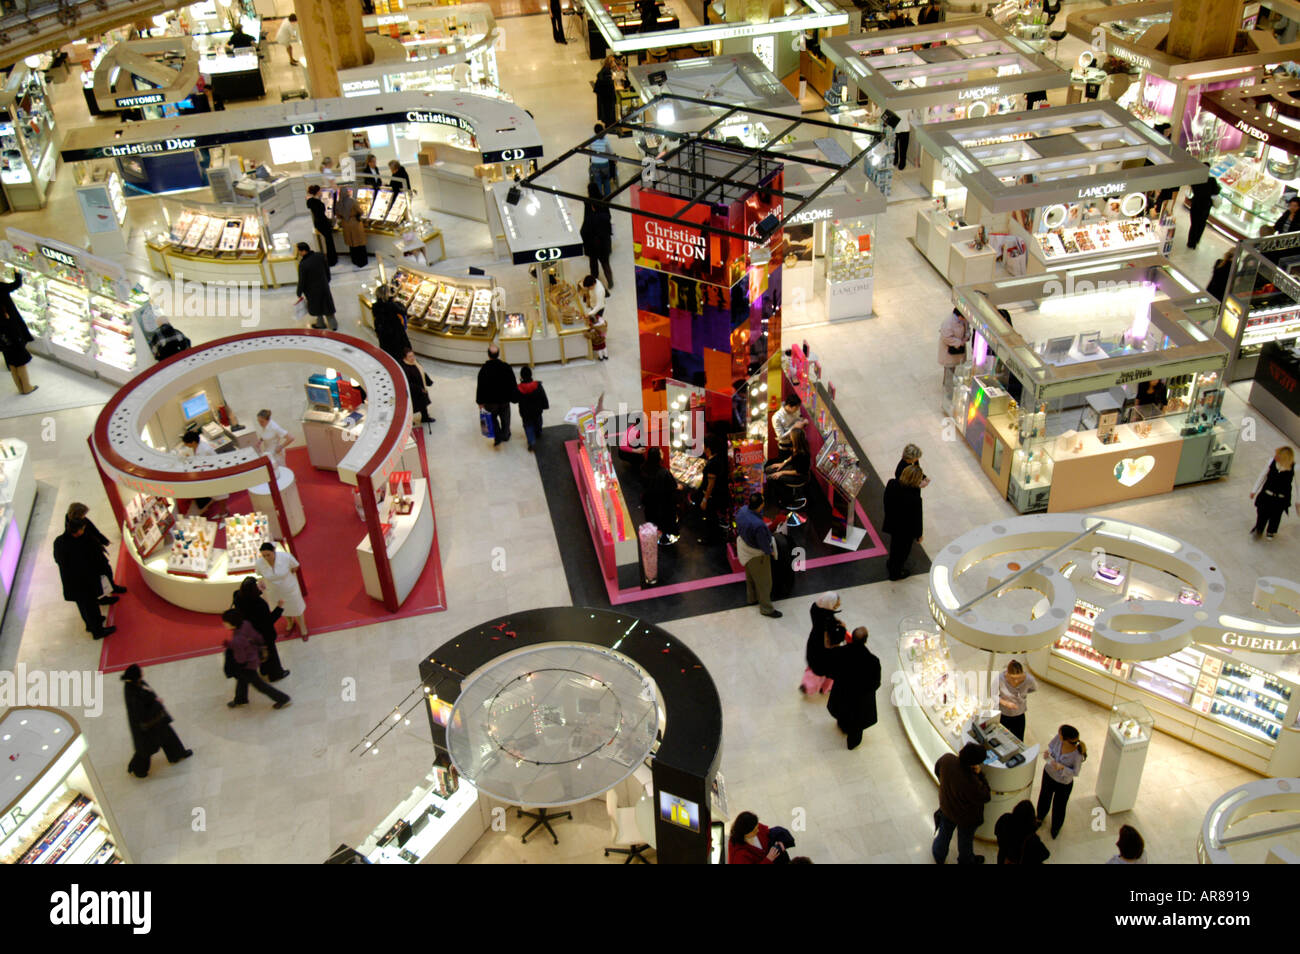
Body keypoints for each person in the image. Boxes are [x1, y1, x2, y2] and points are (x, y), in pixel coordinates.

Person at [123, 664, 191, 778]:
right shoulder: (133, 694)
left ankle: (177, 754)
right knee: (146, 750)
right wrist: (157, 703)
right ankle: (138, 769)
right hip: (148, 726)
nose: (142, 671)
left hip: (156, 720)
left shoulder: (134, 685)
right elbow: (142, 714)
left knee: (169, 737)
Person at [53, 518, 116, 639]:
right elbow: (87, 562)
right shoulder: (78, 544)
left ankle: (91, 624)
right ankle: (98, 631)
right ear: (76, 531)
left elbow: (58, 560)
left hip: (71, 583)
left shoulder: (58, 541)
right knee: (90, 606)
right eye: (82, 529)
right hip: (83, 583)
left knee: (83, 606)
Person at [823, 626, 881, 750]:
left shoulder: (840, 652)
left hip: (842, 693)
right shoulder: (873, 661)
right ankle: (852, 743)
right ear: (866, 640)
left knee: (842, 713)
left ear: (852, 638)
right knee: (857, 724)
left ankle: (843, 726)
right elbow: (876, 684)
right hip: (860, 700)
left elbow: (830, 671)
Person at [933, 742, 991, 864]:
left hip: (946, 807)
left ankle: (938, 854)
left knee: (944, 832)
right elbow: (986, 796)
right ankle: (966, 860)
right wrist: (980, 774)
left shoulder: (947, 759)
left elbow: (937, 770)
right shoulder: (972, 782)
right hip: (966, 817)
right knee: (965, 840)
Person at [222, 608, 292, 709]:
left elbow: (240, 658)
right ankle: (240, 699)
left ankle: (283, 699)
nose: (224, 624)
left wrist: (231, 646)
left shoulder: (238, 639)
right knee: (242, 679)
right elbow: (257, 637)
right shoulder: (245, 624)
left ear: (232, 623)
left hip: (247, 664)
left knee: (259, 685)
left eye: (225, 622)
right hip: (254, 656)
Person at [232, 576, 289, 682]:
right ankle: (276, 674)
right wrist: (279, 608)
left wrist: (260, 591)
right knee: (272, 655)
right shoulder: (259, 605)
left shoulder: (238, 596)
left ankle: (264, 670)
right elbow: (269, 621)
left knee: (260, 652)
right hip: (264, 634)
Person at [65, 502, 127, 599]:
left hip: (95, 551)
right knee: (98, 576)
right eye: (83, 514)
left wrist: (103, 540)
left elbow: (94, 530)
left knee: (106, 570)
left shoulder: (80, 520)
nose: (84, 516)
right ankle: (102, 597)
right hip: (89, 556)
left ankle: (112, 587)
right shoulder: (73, 528)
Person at [1036, 724, 1087, 839]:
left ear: (1065, 738)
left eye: (1060, 733)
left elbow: (1076, 772)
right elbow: (1050, 746)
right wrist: (1047, 753)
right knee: (1044, 796)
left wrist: (1062, 768)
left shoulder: (1077, 755)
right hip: (1049, 774)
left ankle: (1056, 827)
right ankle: (1039, 816)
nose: (1058, 735)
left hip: (1063, 783)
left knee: (1059, 806)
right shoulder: (1058, 739)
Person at [736, 492, 781, 619]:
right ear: (761, 505)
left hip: (744, 548)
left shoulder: (743, 511)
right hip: (757, 555)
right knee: (764, 582)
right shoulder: (759, 526)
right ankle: (766, 608)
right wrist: (771, 552)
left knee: (750, 577)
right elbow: (763, 545)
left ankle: (752, 599)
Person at [255, 542, 308, 639]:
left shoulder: (286, 557)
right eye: (264, 555)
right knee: (281, 609)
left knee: (296, 608)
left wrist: (288, 576)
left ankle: (303, 628)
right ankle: (290, 623)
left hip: (289, 588)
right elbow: (260, 574)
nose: (266, 557)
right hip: (273, 591)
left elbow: (295, 566)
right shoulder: (259, 563)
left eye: (268, 555)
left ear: (274, 551)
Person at [882, 463, 924, 581]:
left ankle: (891, 563)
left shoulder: (892, 483)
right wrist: (919, 534)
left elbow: (886, 500)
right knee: (902, 552)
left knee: (894, 546)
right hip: (906, 530)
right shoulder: (915, 496)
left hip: (893, 522)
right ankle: (895, 573)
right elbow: (917, 517)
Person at [801, 592, 846, 695]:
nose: (837, 606)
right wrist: (842, 628)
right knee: (829, 670)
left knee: (813, 667)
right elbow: (835, 639)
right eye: (835, 605)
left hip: (813, 644)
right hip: (824, 653)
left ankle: (806, 684)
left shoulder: (815, 608)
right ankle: (824, 688)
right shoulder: (828, 620)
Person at [178, 429, 229, 516]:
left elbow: (204, 464)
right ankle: (223, 511)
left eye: (187, 443)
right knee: (218, 494)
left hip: (214, 475)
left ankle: (223, 512)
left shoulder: (204, 450)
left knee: (221, 495)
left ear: (193, 442)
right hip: (210, 475)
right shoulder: (198, 446)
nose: (186, 445)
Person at [0, 269, 36, 394]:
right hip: (11, 331)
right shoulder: (1, 288)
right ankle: (26, 388)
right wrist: (17, 272)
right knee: (20, 361)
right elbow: (16, 284)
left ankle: (20, 388)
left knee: (12, 363)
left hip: (2, 337)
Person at [476, 344, 518, 446]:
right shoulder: (506, 367)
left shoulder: (483, 370)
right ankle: (506, 435)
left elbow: (480, 387)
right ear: (498, 354)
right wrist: (514, 397)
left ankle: (497, 436)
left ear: (488, 355)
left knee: (492, 419)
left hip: (490, 402)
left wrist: (480, 402)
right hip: (504, 400)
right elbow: (513, 383)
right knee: (505, 419)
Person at [1251, 445, 1295, 539]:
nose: (1275, 456)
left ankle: (1271, 531)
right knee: (1262, 513)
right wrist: (1254, 490)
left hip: (1280, 498)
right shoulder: (1271, 462)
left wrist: (1298, 501)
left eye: (1277, 455)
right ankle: (1259, 529)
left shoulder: (1293, 468)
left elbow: (1297, 485)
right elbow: (1262, 476)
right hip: (1267, 495)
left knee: (1276, 515)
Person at [695, 433, 731, 544]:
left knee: (711, 517)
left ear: (708, 448)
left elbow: (710, 484)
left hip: (712, 496)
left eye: (703, 445)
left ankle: (711, 539)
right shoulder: (717, 459)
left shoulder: (712, 464)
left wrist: (705, 499)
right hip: (718, 494)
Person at [639, 447, 679, 543]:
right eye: (661, 453)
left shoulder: (643, 468)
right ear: (658, 457)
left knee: (654, 519)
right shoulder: (664, 472)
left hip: (649, 502)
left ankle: (657, 532)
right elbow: (673, 486)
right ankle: (665, 535)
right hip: (664, 504)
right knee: (664, 521)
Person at [764, 426, 810, 509]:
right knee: (768, 469)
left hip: (799, 476)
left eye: (791, 436)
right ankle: (780, 494)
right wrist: (782, 464)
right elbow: (792, 456)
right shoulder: (796, 445)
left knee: (770, 478)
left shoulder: (803, 454)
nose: (790, 437)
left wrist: (781, 472)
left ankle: (787, 498)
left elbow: (798, 472)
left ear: (796, 438)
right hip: (794, 468)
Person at [296, 241, 337, 330]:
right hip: (323, 286)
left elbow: (302, 280)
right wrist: (327, 280)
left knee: (317, 307)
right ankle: (333, 325)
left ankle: (320, 323)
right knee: (327, 305)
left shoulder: (303, 264)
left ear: (303, 251)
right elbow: (327, 269)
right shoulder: (320, 256)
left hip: (312, 290)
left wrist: (299, 292)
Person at [581, 181, 614, 290]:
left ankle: (595, 280)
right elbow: (608, 218)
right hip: (603, 240)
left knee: (594, 263)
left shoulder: (588, 203)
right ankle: (610, 282)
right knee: (605, 263)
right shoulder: (603, 200)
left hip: (593, 241)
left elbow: (586, 221)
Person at [994, 800, 1049, 864]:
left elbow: (996, 832)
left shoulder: (1004, 820)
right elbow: (1045, 854)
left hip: (1003, 859)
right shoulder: (1032, 838)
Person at [997, 659, 1036, 742]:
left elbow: (1033, 688)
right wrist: (1005, 703)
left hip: (1019, 715)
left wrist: (1022, 696)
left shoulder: (1029, 679)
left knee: (1018, 740)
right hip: (1004, 715)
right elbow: (992, 695)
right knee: (1001, 739)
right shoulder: (1000, 678)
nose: (1016, 681)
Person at [371, 283, 410, 363]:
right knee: (399, 353)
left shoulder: (375, 306)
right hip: (395, 334)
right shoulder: (390, 305)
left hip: (383, 335)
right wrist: (397, 302)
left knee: (389, 354)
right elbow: (403, 311)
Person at [1186, 166, 1221, 248]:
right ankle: (1197, 239)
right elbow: (1216, 191)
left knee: (1194, 224)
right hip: (1205, 205)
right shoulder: (1211, 180)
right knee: (1201, 223)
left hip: (1195, 203)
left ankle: (1191, 242)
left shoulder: (1196, 180)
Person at [516, 365, 549, 451]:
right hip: (537, 410)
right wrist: (545, 406)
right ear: (531, 375)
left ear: (521, 376)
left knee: (528, 426)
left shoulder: (519, 388)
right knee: (538, 421)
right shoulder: (537, 385)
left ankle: (531, 442)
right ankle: (538, 432)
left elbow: (514, 400)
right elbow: (543, 396)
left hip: (525, 413)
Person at [305, 183, 338, 268]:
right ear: (317, 192)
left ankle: (331, 258)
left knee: (328, 241)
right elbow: (323, 214)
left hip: (318, 224)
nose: (321, 192)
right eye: (320, 190)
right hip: (323, 223)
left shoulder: (310, 202)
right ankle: (332, 260)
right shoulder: (318, 203)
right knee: (329, 242)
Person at [938, 307, 969, 393]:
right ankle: (948, 391)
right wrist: (959, 342)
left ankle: (949, 385)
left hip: (959, 350)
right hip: (949, 351)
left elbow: (967, 329)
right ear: (959, 316)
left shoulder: (964, 320)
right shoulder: (948, 323)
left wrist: (966, 336)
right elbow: (946, 337)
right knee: (949, 369)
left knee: (953, 368)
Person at [402, 347, 435, 425]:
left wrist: (428, 382)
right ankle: (409, 421)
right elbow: (408, 383)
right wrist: (420, 389)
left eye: (413, 355)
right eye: (409, 356)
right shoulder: (405, 368)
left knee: (423, 405)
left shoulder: (415, 362)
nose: (412, 358)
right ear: (405, 358)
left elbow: (422, 372)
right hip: (413, 392)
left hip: (421, 389)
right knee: (412, 407)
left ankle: (425, 418)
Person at [337, 187, 368, 268]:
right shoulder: (352, 201)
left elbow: (338, 215)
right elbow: (360, 211)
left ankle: (354, 260)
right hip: (355, 223)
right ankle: (362, 261)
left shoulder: (338, 203)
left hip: (345, 224)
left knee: (351, 243)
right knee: (359, 242)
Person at [770, 393, 806, 460]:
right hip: (785, 448)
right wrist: (794, 427)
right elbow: (780, 437)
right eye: (796, 408)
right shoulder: (777, 417)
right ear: (789, 406)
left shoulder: (797, 409)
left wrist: (803, 421)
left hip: (797, 445)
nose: (797, 410)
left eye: (798, 407)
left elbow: (799, 418)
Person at [584, 279, 609, 361]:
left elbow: (599, 305)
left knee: (599, 349)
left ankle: (601, 357)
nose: (589, 289)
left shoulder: (599, 291)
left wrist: (590, 314)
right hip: (594, 307)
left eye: (589, 287)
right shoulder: (602, 324)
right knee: (603, 348)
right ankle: (605, 356)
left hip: (598, 308)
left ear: (593, 284)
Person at [589, 123, 614, 198]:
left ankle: (599, 197)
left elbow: (590, 149)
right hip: (604, 163)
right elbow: (610, 151)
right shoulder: (605, 139)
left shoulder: (591, 138)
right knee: (606, 180)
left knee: (597, 181)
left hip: (595, 163)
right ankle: (608, 196)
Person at [594, 55, 618, 127]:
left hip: (603, 94)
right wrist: (612, 79)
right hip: (606, 95)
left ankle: (609, 122)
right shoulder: (606, 72)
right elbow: (608, 82)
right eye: (613, 62)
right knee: (609, 109)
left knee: (607, 109)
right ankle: (609, 124)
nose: (614, 63)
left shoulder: (605, 70)